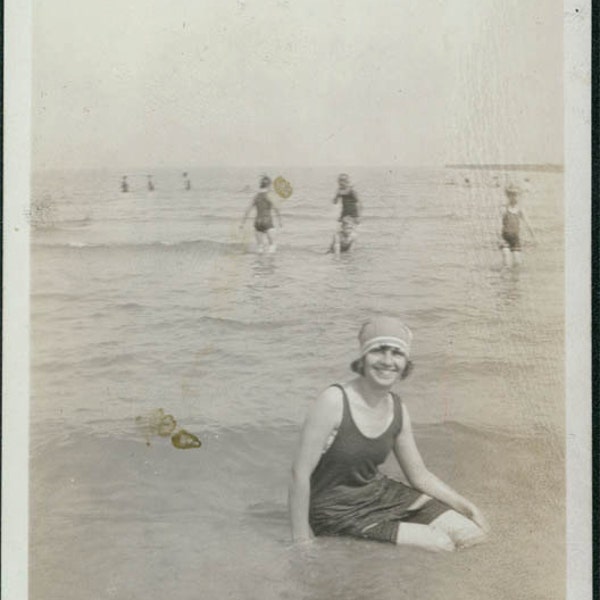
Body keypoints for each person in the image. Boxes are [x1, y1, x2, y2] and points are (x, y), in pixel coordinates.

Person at [289, 316, 490, 551]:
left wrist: (466, 506)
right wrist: (301, 539)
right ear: (363, 358)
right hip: (335, 512)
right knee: (441, 543)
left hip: (379, 496)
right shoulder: (333, 401)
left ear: (406, 363)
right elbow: (299, 474)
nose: (387, 361)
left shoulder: (398, 409)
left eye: (397, 353)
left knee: (471, 533)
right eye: (378, 351)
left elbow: (420, 475)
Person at [239, 175, 283, 253]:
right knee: (272, 245)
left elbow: (247, 210)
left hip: (257, 222)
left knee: (260, 246)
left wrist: (242, 223)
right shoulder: (269, 196)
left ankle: (259, 263)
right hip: (267, 221)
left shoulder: (256, 197)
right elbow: (277, 209)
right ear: (269, 185)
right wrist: (280, 222)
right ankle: (270, 263)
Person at [500, 184, 536, 267]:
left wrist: (533, 237)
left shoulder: (520, 209)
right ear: (508, 196)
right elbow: (499, 224)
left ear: (519, 196)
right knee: (507, 261)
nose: (514, 197)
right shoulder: (504, 208)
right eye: (511, 195)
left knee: (517, 262)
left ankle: (515, 278)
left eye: (515, 195)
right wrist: (498, 238)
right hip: (505, 238)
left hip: (515, 239)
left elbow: (528, 223)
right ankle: (505, 276)